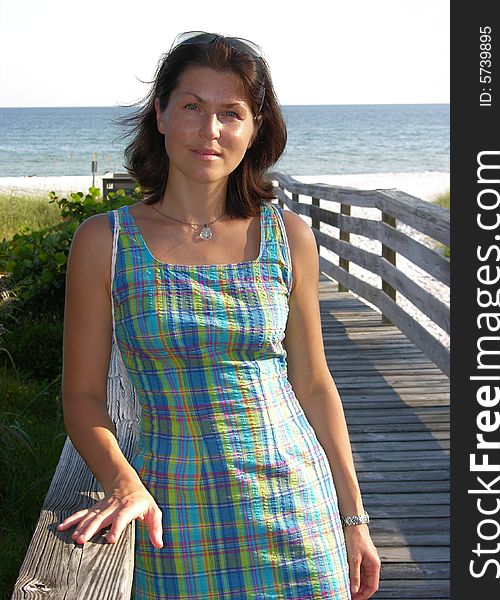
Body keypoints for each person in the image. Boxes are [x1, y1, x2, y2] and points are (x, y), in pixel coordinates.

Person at [57, 31, 380, 599]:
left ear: (255, 128)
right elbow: (82, 395)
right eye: (191, 107)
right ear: (159, 114)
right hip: (171, 514)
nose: (210, 130)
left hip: (296, 512)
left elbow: (314, 383)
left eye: (231, 113)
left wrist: (353, 519)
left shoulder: (287, 237)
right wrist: (121, 481)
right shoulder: (103, 242)